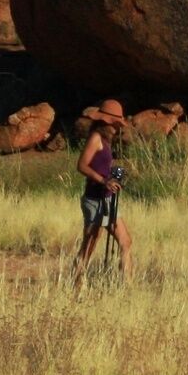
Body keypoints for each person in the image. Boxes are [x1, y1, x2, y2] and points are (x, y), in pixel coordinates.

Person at [74, 99, 131, 282]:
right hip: (94, 199)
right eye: (115, 124)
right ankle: (75, 284)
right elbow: (81, 165)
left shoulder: (105, 141)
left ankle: (127, 286)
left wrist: (112, 179)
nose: (117, 128)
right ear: (106, 122)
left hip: (107, 199)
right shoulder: (96, 139)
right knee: (89, 245)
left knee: (126, 242)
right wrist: (103, 181)